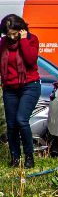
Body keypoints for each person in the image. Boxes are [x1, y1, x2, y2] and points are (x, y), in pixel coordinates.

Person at [0, 15, 41, 168]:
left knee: (21, 120)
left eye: (14, 33)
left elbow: (31, 60)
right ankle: (15, 158)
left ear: (21, 29)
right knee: (11, 125)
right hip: (10, 88)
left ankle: (29, 157)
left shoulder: (31, 39)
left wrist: (23, 40)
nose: (11, 37)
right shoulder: (3, 43)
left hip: (30, 85)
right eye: (8, 33)